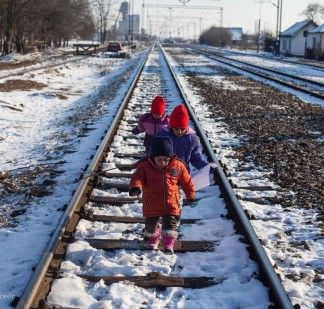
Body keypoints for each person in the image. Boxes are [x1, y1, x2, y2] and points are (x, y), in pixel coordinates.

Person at [128, 136, 195, 254]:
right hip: (152, 202)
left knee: (170, 224)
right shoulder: (144, 166)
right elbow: (137, 177)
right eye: (159, 159)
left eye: (166, 159)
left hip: (171, 202)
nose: (163, 163)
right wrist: (136, 187)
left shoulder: (178, 165)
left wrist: (190, 195)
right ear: (153, 157)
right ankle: (154, 236)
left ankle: (168, 244)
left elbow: (187, 181)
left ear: (170, 157)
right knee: (150, 225)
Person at [155, 104, 211, 174]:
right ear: (171, 126)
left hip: (181, 174)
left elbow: (195, 157)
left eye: (182, 129)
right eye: (176, 129)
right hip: (163, 172)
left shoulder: (192, 139)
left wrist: (207, 167)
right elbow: (152, 153)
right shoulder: (161, 135)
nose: (179, 132)